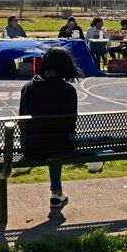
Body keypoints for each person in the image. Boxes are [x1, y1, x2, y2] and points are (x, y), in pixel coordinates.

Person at [18, 46, 81, 209]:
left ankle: (57, 192)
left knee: (52, 141)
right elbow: (70, 127)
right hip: (59, 145)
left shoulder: (28, 87)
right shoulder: (68, 90)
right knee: (105, 140)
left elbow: (21, 120)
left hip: (31, 146)